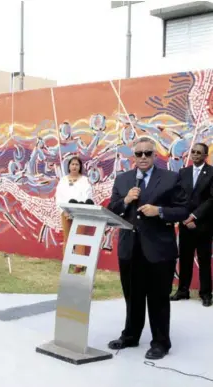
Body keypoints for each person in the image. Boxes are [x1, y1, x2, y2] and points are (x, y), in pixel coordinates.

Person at [107, 137, 188, 360]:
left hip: (159, 250)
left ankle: (161, 342)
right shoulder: (123, 180)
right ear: (133, 156)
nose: (143, 157)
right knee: (132, 296)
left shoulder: (171, 178)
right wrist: (125, 200)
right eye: (139, 153)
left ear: (155, 155)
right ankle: (130, 336)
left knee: (158, 298)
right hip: (129, 249)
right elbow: (112, 209)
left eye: (148, 153)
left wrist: (159, 211)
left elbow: (183, 210)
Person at [172, 143, 213, 307]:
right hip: (185, 224)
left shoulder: (211, 172)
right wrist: (184, 217)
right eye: (193, 152)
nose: (195, 155)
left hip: (203, 225)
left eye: (198, 153)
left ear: (205, 156)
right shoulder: (183, 172)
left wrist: (194, 217)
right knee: (185, 258)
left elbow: (211, 199)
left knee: (204, 260)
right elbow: (178, 196)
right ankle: (183, 290)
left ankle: (206, 294)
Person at [55, 156, 93, 257]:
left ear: (80, 167)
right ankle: (66, 262)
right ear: (69, 166)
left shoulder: (85, 180)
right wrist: (65, 211)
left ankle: (79, 265)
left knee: (80, 237)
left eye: (77, 164)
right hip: (66, 212)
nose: (74, 166)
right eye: (72, 164)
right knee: (67, 238)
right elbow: (59, 197)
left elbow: (87, 195)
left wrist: (79, 210)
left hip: (80, 212)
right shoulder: (63, 180)